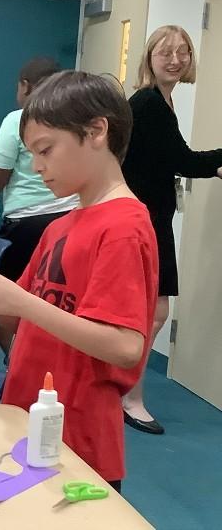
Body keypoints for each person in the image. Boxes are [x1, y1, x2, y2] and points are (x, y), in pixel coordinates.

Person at [0, 71, 157, 491]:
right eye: (30, 153)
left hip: (77, 442)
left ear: (97, 130)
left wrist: (24, 302)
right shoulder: (61, 226)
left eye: (45, 149)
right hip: (26, 425)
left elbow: (124, 346)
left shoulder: (123, 226)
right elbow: (25, 321)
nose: (36, 166)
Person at [121, 25, 222, 435]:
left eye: (183, 52)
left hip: (151, 218)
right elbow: (184, 160)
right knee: (150, 313)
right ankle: (129, 396)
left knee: (151, 313)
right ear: (149, 57)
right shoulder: (149, 104)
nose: (176, 59)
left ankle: (125, 392)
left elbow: (171, 160)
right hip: (142, 221)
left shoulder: (161, 103)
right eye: (166, 52)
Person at [0, 57, 79, 353]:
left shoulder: (18, 120)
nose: (40, 167)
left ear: (25, 86)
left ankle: (18, 367)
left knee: (3, 306)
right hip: (69, 222)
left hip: (26, 228)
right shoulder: (70, 120)